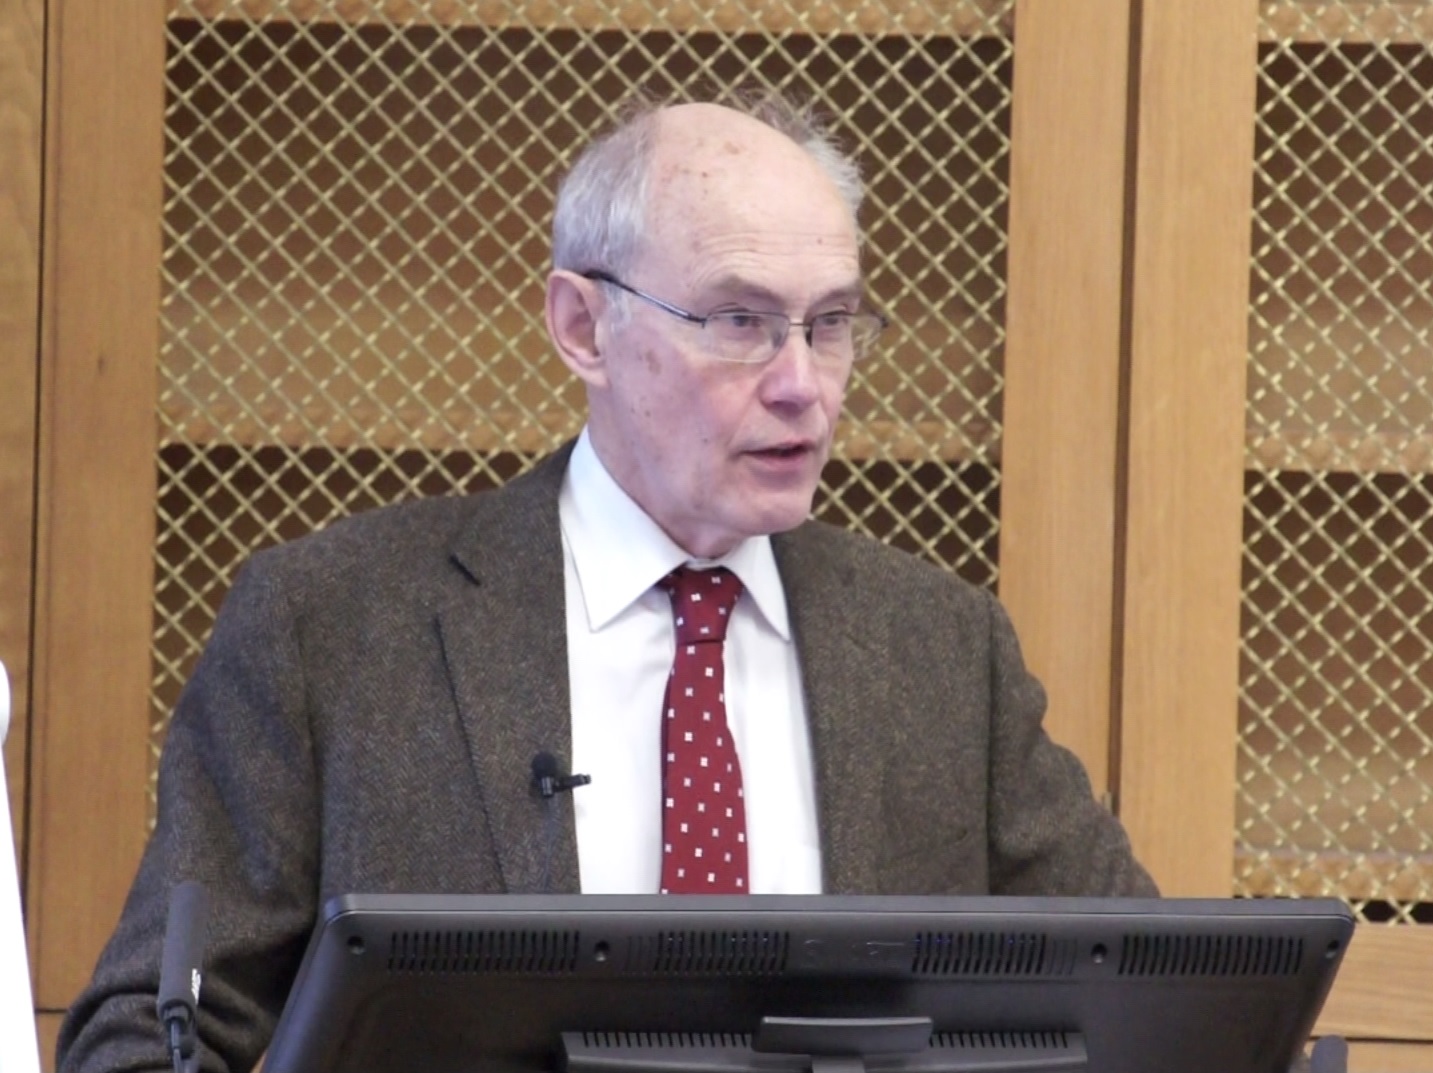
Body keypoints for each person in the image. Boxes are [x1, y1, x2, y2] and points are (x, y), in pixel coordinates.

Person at [58, 91, 1155, 1072]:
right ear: (583, 326)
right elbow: (148, 1031)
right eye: (740, 321)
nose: (804, 387)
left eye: (830, 326)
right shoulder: (332, 626)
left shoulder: (940, 650)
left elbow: (1164, 1000)